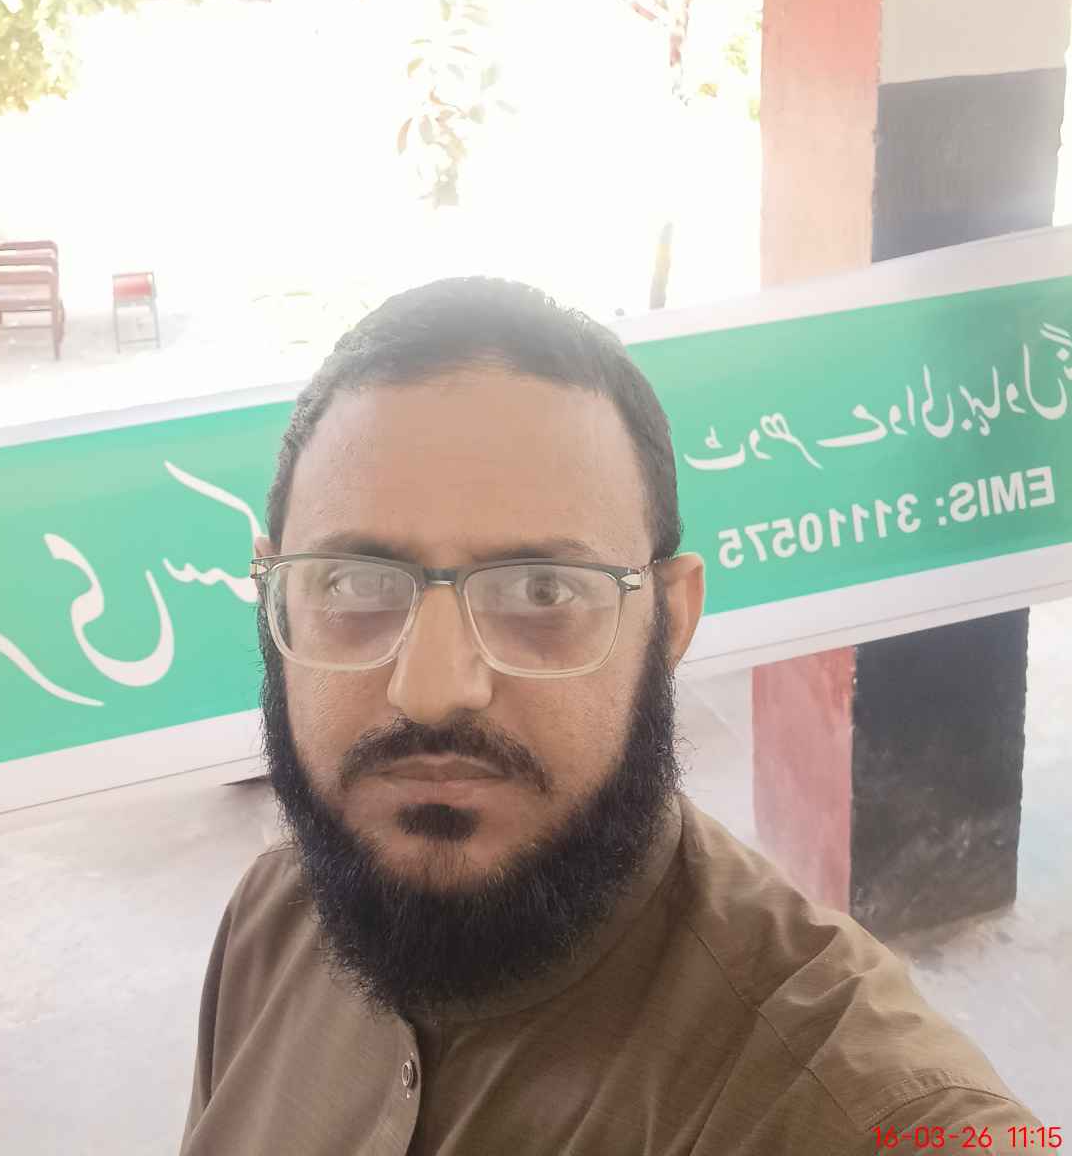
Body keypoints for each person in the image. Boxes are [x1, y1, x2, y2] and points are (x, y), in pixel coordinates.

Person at [180, 277, 1036, 1155]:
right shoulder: (274, 917)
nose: (431, 690)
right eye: (355, 584)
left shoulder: (864, 1109)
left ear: (670, 620)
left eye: (542, 591)